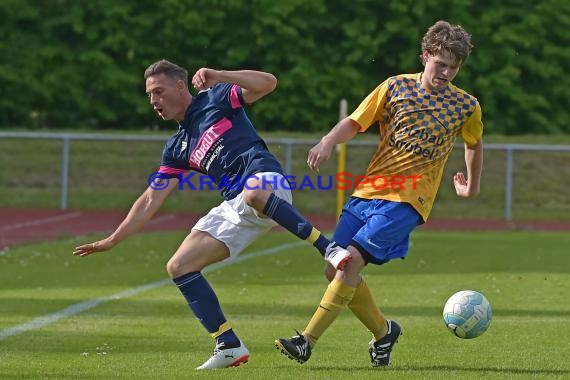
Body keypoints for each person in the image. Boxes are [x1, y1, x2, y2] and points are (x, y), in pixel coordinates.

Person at [73, 60, 351, 370]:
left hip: (266, 182)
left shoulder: (216, 98)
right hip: (236, 205)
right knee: (179, 265)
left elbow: (268, 82)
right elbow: (151, 197)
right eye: (150, 95)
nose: (154, 101)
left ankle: (328, 248)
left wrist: (218, 75)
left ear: (181, 86)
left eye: (159, 92)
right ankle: (228, 344)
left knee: (255, 193)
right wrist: (113, 239)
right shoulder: (176, 147)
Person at [275, 20, 484, 367]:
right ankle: (384, 332)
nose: (446, 73)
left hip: (409, 200)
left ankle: (306, 341)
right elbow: (356, 122)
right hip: (368, 192)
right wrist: (328, 141)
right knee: (336, 270)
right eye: (440, 64)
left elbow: (474, 144)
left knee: (349, 261)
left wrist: (472, 186)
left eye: (454, 67)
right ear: (425, 55)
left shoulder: (466, 106)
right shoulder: (394, 87)